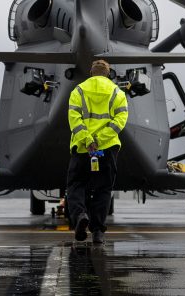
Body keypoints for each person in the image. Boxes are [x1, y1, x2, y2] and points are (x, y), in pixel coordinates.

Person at [66, 59, 128, 245]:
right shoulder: (117, 92)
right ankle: (98, 232)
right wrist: (101, 140)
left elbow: (74, 118)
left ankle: (80, 216)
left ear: (91, 73)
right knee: (103, 189)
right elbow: (120, 119)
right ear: (108, 74)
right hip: (107, 149)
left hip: (83, 148)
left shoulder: (78, 91)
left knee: (76, 185)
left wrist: (88, 139)